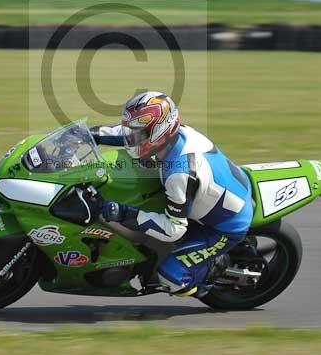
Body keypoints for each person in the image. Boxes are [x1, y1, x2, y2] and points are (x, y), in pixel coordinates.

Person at [89, 91, 253, 297]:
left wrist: (124, 214)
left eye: (139, 133)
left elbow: (173, 230)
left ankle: (211, 270)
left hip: (225, 224)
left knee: (170, 278)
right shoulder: (174, 135)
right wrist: (89, 135)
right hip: (220, 189)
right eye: (130, 130)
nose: (131, 137)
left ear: (160, 132)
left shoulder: (178, 173)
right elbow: (123, 134)